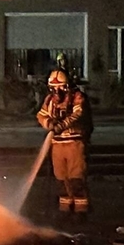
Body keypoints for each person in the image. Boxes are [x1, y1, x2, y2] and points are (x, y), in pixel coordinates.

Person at [37, 69, 92, 221]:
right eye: (53, 88)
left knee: (76, 177)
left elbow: (78, 113)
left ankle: (81, 210)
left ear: (67, 86)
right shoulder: (49, 100)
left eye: (60, 87)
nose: (57, 91)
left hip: (74, 142)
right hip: (57, 145)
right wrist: (49, 123)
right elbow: (41, 115)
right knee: (61, 178)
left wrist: (62, 125)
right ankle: (65, 208)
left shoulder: (77, 97)